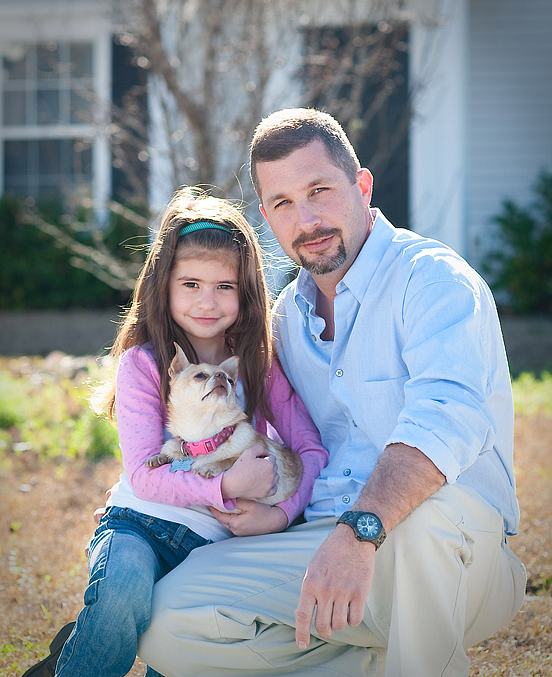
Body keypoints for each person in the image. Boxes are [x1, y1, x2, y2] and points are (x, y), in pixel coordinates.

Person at [137, 108, 527, 677]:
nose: (308, 219)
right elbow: (265, 440)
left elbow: (448, 419)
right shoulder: (286, 322)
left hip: (452, 544)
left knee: (422, 520)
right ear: (267, 217)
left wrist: (360, 530)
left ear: (362, 186)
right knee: (169, 619)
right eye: (283, 203)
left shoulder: (432, 280)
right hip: (324, 537)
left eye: (320, 190)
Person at [22, 187, 328, 677]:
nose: (207, 301)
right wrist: (224, 485)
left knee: (184, 642)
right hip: (137, 524)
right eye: (191, 283)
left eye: (224, 287)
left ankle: (85, 642)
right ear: (163, 285)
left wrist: (280, 514)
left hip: (212, 543)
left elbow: (312, 450)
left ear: (246, 293)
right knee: (122, 591)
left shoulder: (258, 365)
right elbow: (144, 476)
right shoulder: (144, 363)